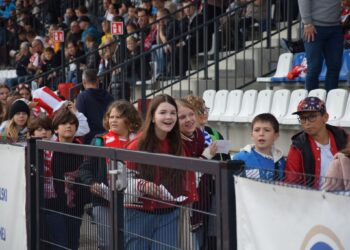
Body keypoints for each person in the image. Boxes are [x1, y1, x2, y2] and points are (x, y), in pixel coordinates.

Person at [124, 94, 198, 249]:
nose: (169, 117)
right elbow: (123, 183)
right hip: (139, 213)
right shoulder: (136, 145)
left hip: (169, 213)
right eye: (163, 112)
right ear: (152, 117)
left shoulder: (179, 145)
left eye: (172, 113)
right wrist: (142, 185)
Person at [79, 100, 142, 250]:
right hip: (104, 202)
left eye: (118, 117)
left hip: (134, 204)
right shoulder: (99, 141)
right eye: (111, 116)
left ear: (129, 119)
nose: (113, 120)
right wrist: (92, 183)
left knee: (130, 244)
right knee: (108, 245)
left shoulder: (140, 142)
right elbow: (85, 169)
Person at [285, 97, 349, 188]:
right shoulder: (298, 146)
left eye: (312, 117)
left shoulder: (343, 137)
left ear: (325, 117)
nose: (307, 123)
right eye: (302, 118)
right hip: (313, 198)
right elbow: (291, 182)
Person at [47, 108, 86, 250]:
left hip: (76, 207)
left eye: (71, 123)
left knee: (73, 243)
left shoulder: (82, 148)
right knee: (59, 245)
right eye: (64, 123)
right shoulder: (49, 149)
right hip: (54, 207)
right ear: (56, 129)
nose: (68, 126)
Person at [298, 0, 343, 92]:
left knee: (335, 66)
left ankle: (331, 100)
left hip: (335, 26)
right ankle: (311, 102)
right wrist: (307, 22)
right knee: (314, 67)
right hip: (313, 26)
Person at [233, 113, 285, 180]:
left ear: (276, 136)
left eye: (267, 130)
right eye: (257, 130)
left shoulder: (281, 162)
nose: (261, 134)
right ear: (252, 135)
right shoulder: (240, 158)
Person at [76, 69, 114, 144]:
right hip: (108, 137)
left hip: (90, 140)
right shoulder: (109, 96)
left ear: (84, 82)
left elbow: (80, 119)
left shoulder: (82, 97)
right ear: (97, 80)